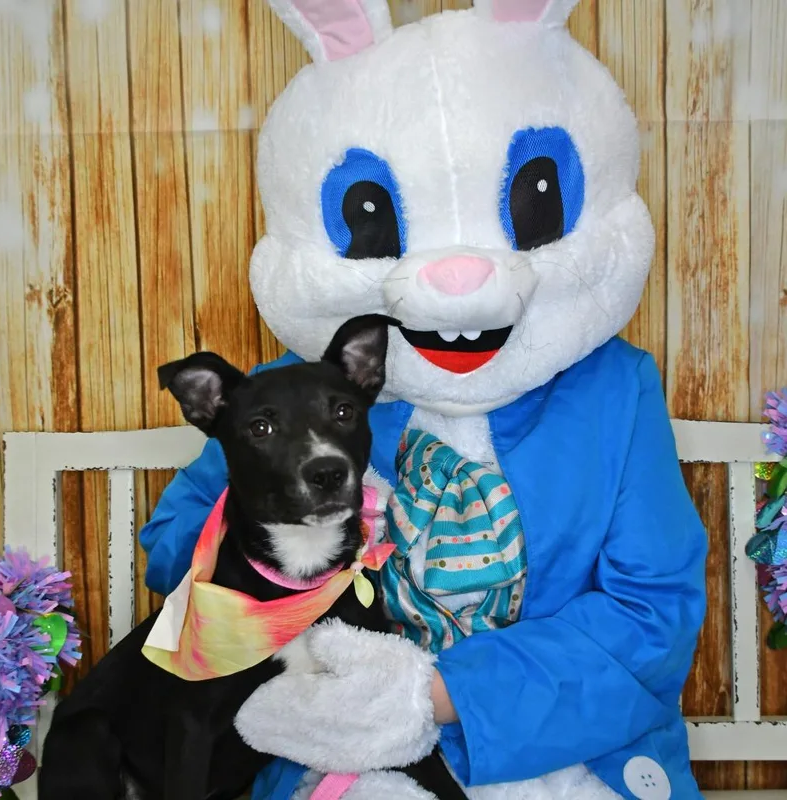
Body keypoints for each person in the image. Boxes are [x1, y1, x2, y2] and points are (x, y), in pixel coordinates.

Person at [140, 2, 708, 798]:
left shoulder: (616, 392)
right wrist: (288, 559)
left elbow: (652, 612)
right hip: (339, 751)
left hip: (568, 748)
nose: (457, 282)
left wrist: (439, 694)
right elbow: (174, 544)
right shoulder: (302, 392)